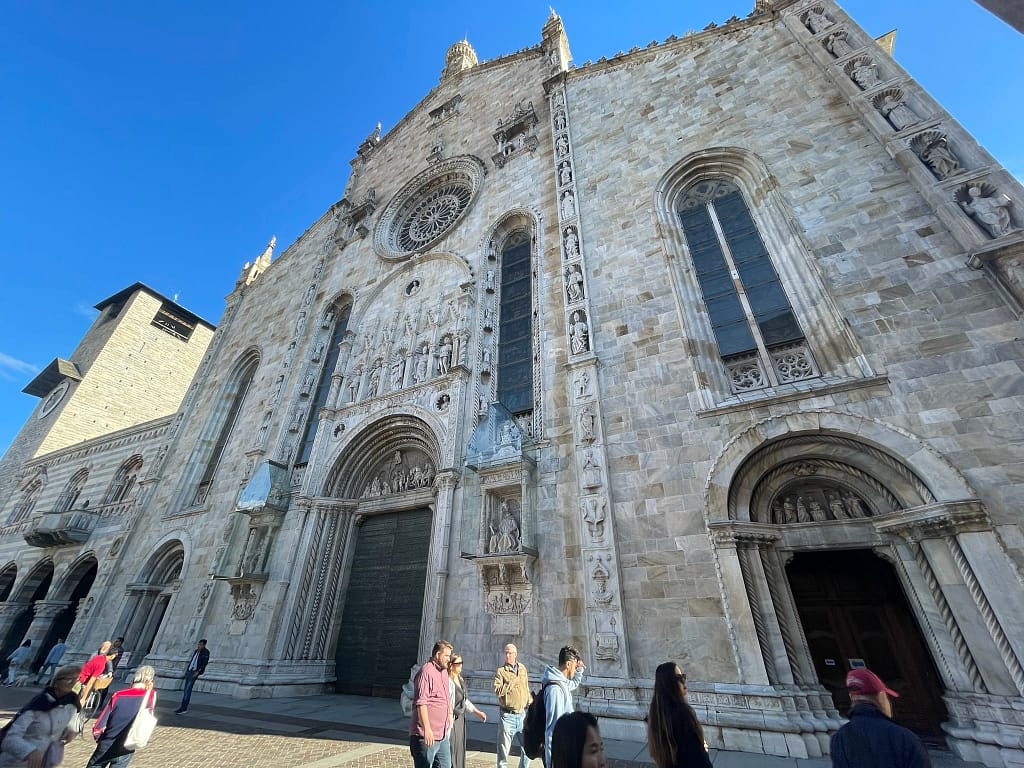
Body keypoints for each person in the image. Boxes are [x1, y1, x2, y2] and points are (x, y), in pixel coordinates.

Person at [831, 668, 931, 767]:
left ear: (852, 698)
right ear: (881, 696)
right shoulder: (904, 738)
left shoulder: (839, 739)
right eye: (887, 697)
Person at [0, 664, 82, 768]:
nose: (74, 682)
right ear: (56, 682)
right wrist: (29, 751)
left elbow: (72, 725)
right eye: (69, 678)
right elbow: (10, 738)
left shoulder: (72, 705)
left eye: (77, 679)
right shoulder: (39, 704)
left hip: (45, 761)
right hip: (15, 762)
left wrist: (70, 732)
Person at [86, 665, 157, 768]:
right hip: (127, 746)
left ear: (133, 679)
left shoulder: (118, 695)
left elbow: (100, 724)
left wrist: (99, 737)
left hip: (107, 743)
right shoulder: (150, 697)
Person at [647, 662, 711, 768]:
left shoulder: (656, 714)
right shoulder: (683, 713)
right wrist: (703, 749)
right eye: (678, 678)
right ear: (669, 683)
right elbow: (699, 759)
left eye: (683, 676)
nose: (683, 681)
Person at [410, 640, 453, 768]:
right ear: (438, 654)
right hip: (426, 736)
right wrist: (427, 729)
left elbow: (446, 696)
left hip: (442, 734)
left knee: (445, 765)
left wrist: (449, 712)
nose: (449, 659)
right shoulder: (426, 672)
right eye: (446, 656)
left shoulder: (444, 672)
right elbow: (421, 703)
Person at [542, 646, 586, 766]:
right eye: (574, 665)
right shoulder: (555, 690)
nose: (575, 668)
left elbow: (572, 684)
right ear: (568, 664)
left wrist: (579, 670)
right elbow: (552, 732)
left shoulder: (562, 683)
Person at [494, 644, 530, 768]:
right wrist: (510, 683)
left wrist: (529, 701)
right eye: (506, 653)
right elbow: (497, 691)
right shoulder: (501, 671)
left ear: (515, 654)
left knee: (528, 749)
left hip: (522, 715)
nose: (507, 655)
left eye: (510, 653)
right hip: (507, 716)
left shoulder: (522, 669)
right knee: (503, 753)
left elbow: (525, 687)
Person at [448, 654, 486, 768]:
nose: (461, 666)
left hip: (460, 719)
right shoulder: (448, 681)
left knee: (459, 748)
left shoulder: (460, 679)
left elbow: (465, 701)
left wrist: (478, 712)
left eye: (461, 663)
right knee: (451, 748)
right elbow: (448, 702)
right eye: (458, 664)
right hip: (452, 719)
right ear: (451, 665)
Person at [175, 639, 209, 714]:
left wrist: (198, 672)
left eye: (200, 644)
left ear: (204, 645)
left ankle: (184, 708)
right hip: (190, 671)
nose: (199, 646)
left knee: (188, 690)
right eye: (198, 644)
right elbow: (193, 660)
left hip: (194, 672)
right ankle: (183, 707)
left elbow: (204, 664)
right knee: (186, 690)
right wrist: (187, 670)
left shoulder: (205, 652)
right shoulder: (196, 651)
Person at [78, 642, 113, 706]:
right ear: (102, 646)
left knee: (101, 687)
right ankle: (82, 699)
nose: (105, 648)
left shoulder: (106, 655)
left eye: (107, 647)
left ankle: (97, 703)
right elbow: (90, 662)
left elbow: (109, 662)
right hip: (89, 674)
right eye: (105, 647)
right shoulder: (95, 654)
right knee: (88, 686)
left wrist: (110, 671)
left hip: (99, 673)